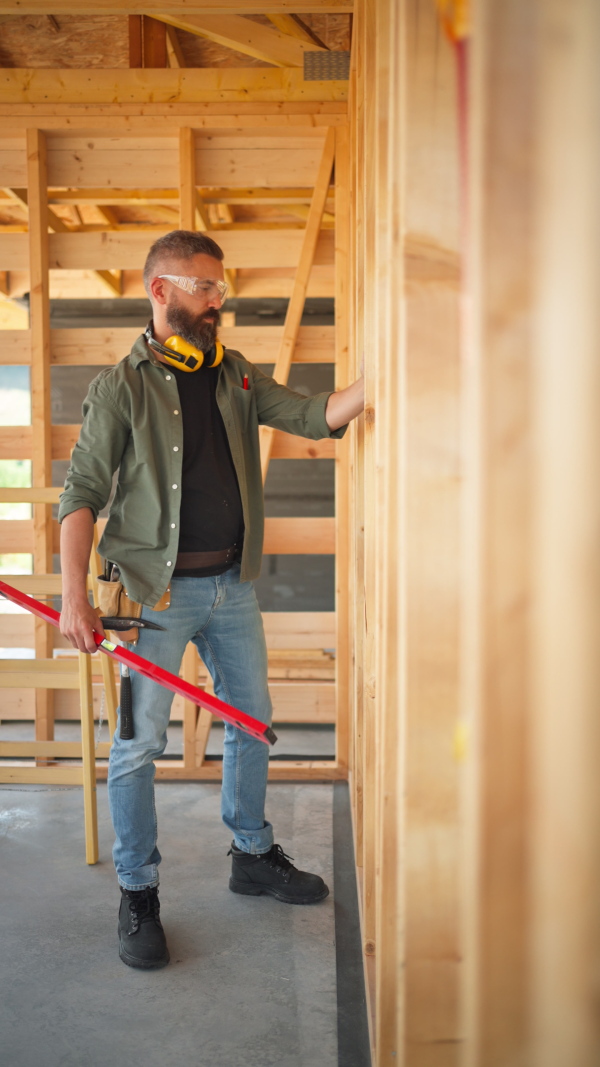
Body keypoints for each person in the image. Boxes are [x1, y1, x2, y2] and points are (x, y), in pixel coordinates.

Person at [58, 230, 364, 970]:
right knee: (135, 745)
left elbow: (313, 414)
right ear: (160, 291)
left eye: (221, 288)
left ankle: (251, 852)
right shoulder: (118, 388)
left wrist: (379, 383)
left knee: (251, 722)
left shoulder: (235, 375)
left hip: (232, 588)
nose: (218, 300)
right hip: (144, 604)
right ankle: (138, 892)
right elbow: (82, 497)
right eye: (205, 287)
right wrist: (74, 596)